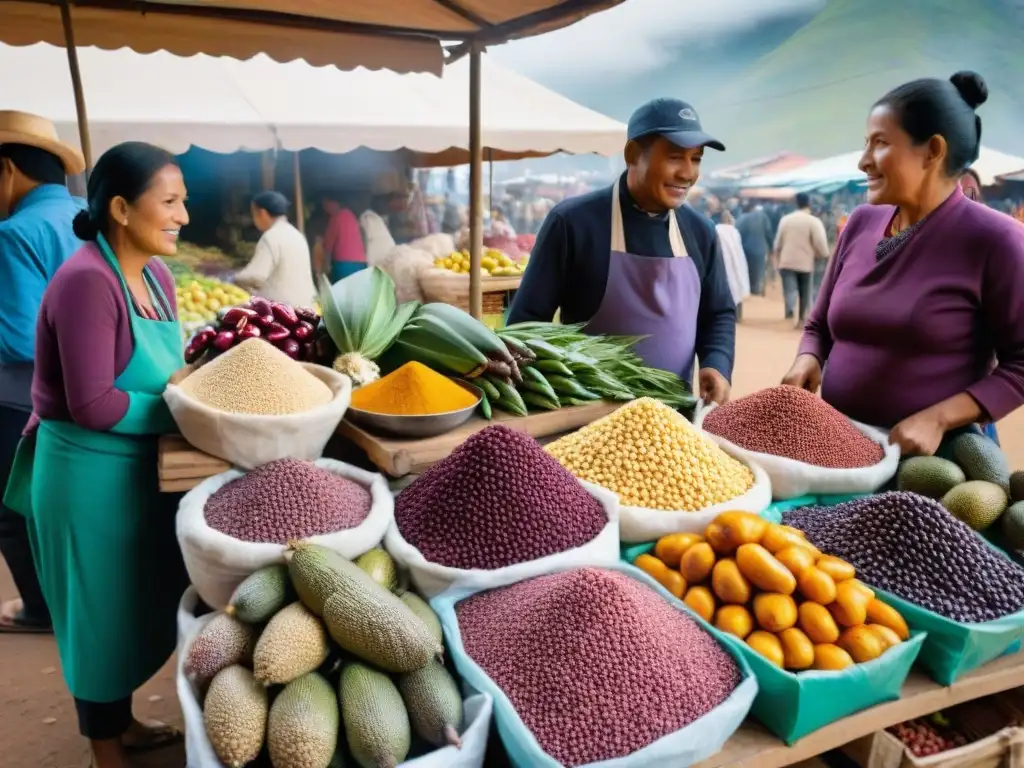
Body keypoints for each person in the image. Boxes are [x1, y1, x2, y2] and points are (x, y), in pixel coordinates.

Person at [4, 141, 191, 768]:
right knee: (96, 616)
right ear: (120, 207)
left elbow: (169, 370)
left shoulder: (158, 277)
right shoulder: (87, 280)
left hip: (138, 467)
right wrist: (186, 412)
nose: (182, 215)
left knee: (139, 603)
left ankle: (126, 721)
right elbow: (94, 404)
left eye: (182, 201)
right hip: (83, 474)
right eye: (168, 202)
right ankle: (104, 750)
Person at [782, 71, 1024, 456]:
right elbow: (818, 324)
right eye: (865, 144)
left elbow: (1020, 364)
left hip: (935, 464)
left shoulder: (996, 240)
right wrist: (808, 358)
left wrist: (938, 418)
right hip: (840, 449)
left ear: (932, 150)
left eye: (879, 143)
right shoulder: (861, 222)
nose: (863, 161)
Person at [508, 97, 737, 404]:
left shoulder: (700, 231)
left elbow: (718, 312)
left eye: (696, 159)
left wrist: (716, 362)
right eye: (674, 157)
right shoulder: (573, 223)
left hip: (673, 423)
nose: (687, 173)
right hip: (587, 419)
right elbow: (526, 323)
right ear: (633, 154)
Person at [0, 111, 86, 634]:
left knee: (14, 510)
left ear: (6, 169)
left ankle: (40, 609)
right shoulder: (89, 215)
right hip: (96, 394)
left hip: (26, 402)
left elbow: (16, 340)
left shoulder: (13, 233)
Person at [235, 191, 316, 306]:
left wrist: (234, 279)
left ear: (262, 213)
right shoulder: (295, 234)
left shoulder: (271, 237)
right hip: (305, 305)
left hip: (283, 311)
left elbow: (256, 276)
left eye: (253, 213)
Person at [773, 192, 829, 327]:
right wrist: (823, 255)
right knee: (805, 292)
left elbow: (777, 244)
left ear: (795, 204)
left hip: (786, 261)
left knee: (790, 290)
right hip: (805, 263)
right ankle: (801, 319)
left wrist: (777, 258)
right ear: (809, 204)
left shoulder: (785, 220)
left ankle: (789, 312)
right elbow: (820, 244)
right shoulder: (814, 221)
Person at [321, 193, 367, 282]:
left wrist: (325, 267)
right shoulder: (352, 216)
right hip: (361, 263)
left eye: (326, 204)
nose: (325, 208)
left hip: (344, 265)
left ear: (333, 203)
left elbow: (328, 245)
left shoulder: (336, 217)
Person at [715, 210, 751, 322]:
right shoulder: (734, 231)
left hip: (721, 262)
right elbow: (738, 249)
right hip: (735, 263)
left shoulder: (716, 229)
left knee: (725, 287)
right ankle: (737, 315)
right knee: (736, 286)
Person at [735, 200, 774, 296]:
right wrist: (772, 247)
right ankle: (757, 291)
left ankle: (747, 290)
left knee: (746, 271)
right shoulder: (762, 217)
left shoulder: (740, 219)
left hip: (744, 250)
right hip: (759, 249)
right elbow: (768, 233)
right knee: (759, 272)